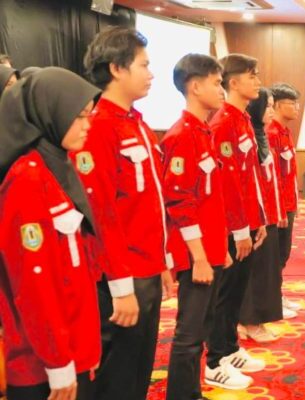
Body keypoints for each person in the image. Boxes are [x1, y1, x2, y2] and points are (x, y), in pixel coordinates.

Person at [76, 26, 173, 400]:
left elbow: (148, 203)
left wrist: (161, 261)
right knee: (117, 376)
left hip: (146, 267)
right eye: (143, 65)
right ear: (117, 68)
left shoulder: (137, 123)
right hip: (121, 274)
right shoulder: (99, 127)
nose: (151, 74)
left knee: (139, 368)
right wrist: (120, 287)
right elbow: (100, 215)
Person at [0, 67, 101, 400]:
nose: (87, 125)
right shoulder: (27, 179)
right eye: (79, 116)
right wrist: (58, 363)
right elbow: (34, 284)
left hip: (72, 347)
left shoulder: (56, 167)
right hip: (43, 365)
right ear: (50, 114)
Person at [162, 53, 239, 398]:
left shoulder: (203, 131)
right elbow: (180, 203)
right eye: (217, 83)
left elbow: (209, 200)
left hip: (210, 248)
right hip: (196, 255)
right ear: (195, 87)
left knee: (203, 327)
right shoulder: (182, 135)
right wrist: (200, 257)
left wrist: (219, 247)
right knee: (190, 334)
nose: (222, 90)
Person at [206, 53, 269, 383]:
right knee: (225, 293)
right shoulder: (223, 123)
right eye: (251, 75)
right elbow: (227, 184)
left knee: (236, 292)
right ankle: (216, 359)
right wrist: (241, 229)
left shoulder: (242, 119)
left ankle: (230, 348)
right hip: (232, 226)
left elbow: (250, 178)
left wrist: (259, 220)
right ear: (233, 82)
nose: (257, 82)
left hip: (247, 221)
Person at [238, 89, 292, 342]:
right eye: (267, 106)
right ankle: (249, 321)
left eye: (272, 105)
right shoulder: (250, 135)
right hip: (255, 216)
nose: (271, 111)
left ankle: (256, 320)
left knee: (267, 269)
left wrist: (278, 210)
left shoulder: (260, 135)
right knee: (257, 272)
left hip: (268, 213)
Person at [266, 82, 302, 312]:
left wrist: (294, 203)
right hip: (278, 207)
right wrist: (279, 208)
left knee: (283, 253)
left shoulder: (285, 132)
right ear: (278, 105)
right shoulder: (271, 134)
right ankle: (272, 299)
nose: (297, 108)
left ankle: (277, 295)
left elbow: (288, 173)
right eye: (292, 103)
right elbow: (274, 176)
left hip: (288, 203)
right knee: (276, 256)